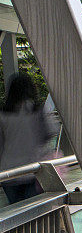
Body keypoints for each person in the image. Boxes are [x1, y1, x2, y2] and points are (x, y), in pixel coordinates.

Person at [0, 72, 57, 204]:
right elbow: (52, 131)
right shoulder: (39, 111)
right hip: (33, 171)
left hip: (9, 172)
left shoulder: (3, 114)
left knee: (16, 210)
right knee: (34, 209)